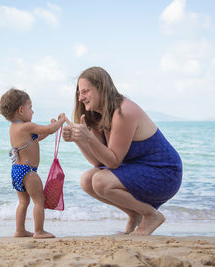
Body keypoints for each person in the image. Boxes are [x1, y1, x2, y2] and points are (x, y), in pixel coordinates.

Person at [62, 67, 182, 236]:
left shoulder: (123, 111)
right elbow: (99, 162)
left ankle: (151, 215)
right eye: (79, 93)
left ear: (101, 88)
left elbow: (113, 162)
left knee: (100, 181)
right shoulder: (97, 115)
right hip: (139, 170)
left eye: (85, 91)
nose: (81, 98)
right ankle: (134, 214)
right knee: (87, 180)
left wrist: (87, 137)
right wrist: (79, 139)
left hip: (164, 173)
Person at [0, 88, 66, 239]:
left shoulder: (14, 128)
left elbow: (37, 138)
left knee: (23, 202)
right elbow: (49, 129)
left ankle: (20, 230)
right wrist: (61, 120)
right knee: (39, 201)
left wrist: (51, 129)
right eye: (30, 108)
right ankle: (39, 231)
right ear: (21, 110)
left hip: (16, 170)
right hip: (29, 171)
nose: (33, 112)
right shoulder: (27, 126)